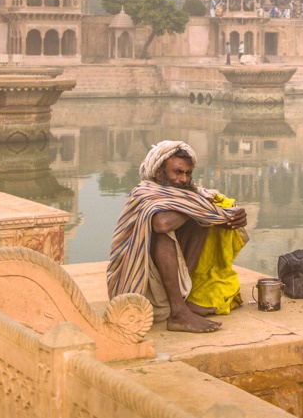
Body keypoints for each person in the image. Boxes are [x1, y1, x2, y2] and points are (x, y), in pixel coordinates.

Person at [106, 140, 248, 332]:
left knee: (200, 224)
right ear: (159, 172)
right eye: (177, 172)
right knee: (164, 232)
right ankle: (178, 312)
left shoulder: (190, 196)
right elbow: (161, 224)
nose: (183, 179)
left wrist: (231, 218)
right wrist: (198, 209)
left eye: (187, 173)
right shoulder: (144, 192)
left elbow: (209, 213)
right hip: (139, 286)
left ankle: (182, 299)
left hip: (170, 287)